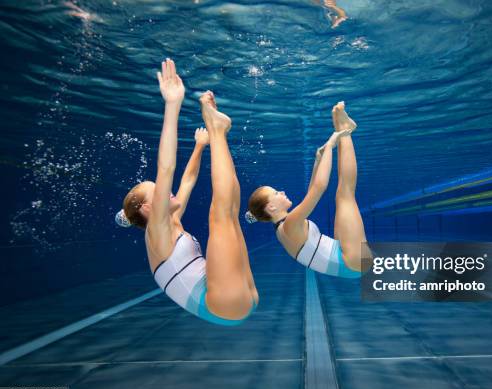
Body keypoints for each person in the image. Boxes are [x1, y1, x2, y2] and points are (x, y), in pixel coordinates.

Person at [116, 58, 258, 325]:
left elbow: (188, 180)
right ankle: (218, 131)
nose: (166, 193)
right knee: (222, 215)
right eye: (157, 193)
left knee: (227, 214)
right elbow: (166, 168)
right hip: (220, 302)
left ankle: (218, 133)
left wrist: (199, 146)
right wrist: (172, 105)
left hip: (231, 302)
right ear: (148, 208)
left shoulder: (171, 223)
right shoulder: (156, 231)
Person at [246, 101, 372, 278]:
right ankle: (344, 129)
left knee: (343, 194)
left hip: (346, 259)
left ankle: (343, 129)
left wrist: (318, 160)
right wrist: (329, 146)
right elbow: (319, 188)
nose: (281, 192)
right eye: (275, 193)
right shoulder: (289, 225)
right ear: (271, 207)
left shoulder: (284, 227)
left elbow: (312, 190)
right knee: (345, 194)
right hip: (353, 261)